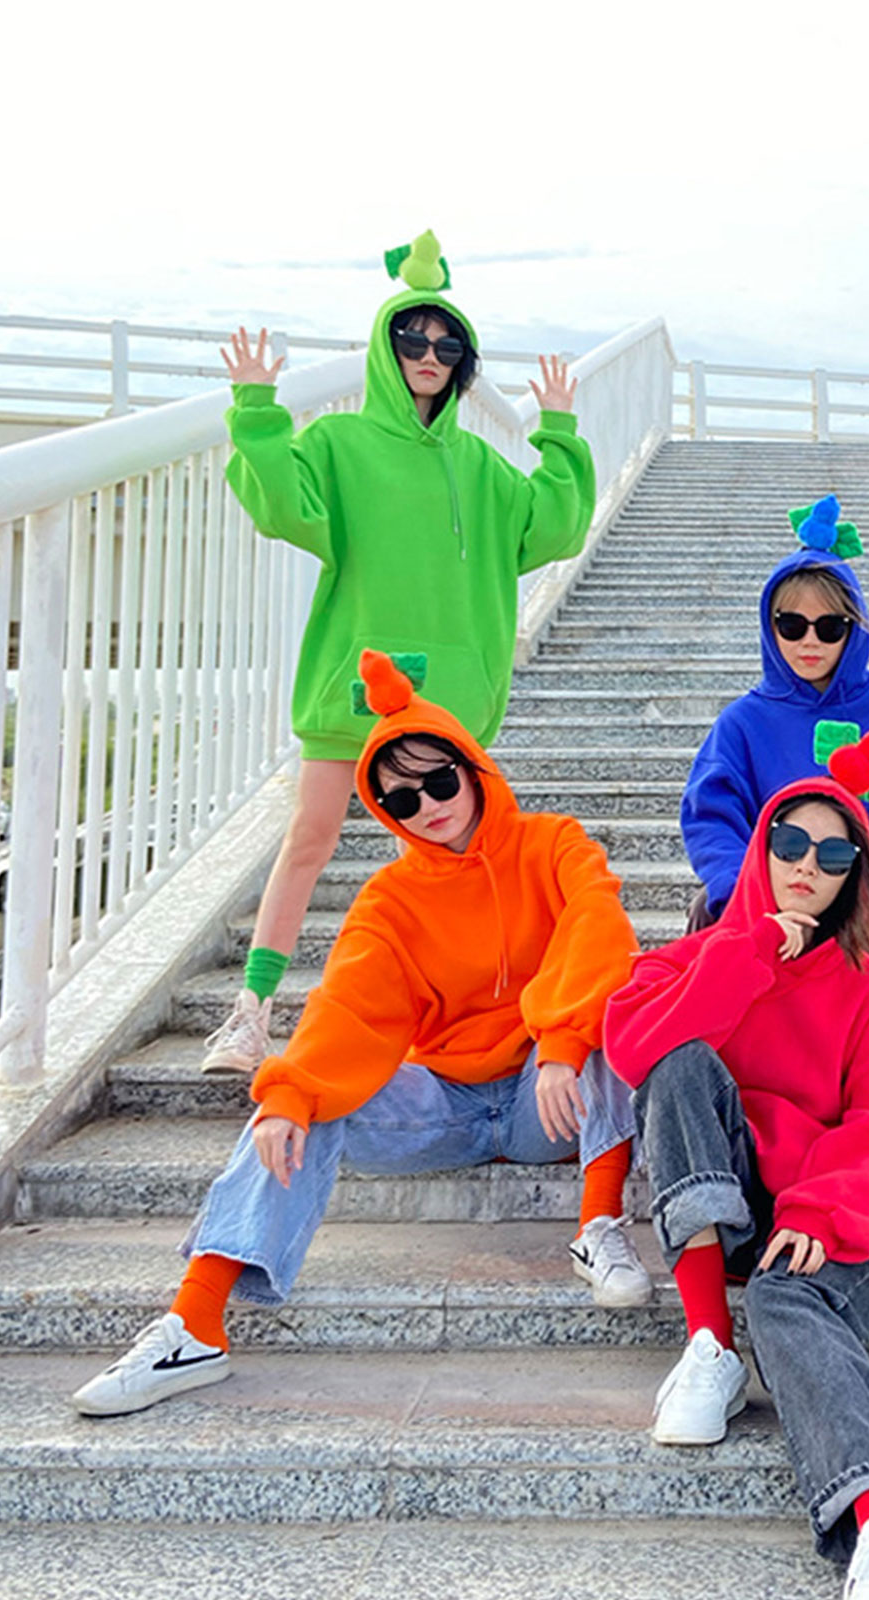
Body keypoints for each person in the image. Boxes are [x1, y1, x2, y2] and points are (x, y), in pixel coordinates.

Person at [73, 650, 648, 1418]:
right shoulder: (389, 899)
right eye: (400, 799)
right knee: (295, 1099)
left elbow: (598, 929)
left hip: (544, 1104)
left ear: (472, 768)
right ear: (383, 811)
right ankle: (195, 1322)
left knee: (620, 1015)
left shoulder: (552, 843)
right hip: (442, 1107)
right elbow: (347, 1007)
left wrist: (562, 1044)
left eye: (439, 781)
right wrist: (288, 1095)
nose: (428, 806)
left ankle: (598, 1225)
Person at [203, 229, 596, 1075]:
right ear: (387, 348)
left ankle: (426, 1028)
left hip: (446, 698)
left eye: (446, 346)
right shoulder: (341, 445)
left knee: (432, 873)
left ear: (462, 362)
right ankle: (250, 1014)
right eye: (412, 339)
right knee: (310, 838)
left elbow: (554, 527)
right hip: (352, 682)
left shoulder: (479, 465)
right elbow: (283, 506)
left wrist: (560, 430)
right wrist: (258, 411)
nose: (428, 356)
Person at [605, 737, 869, 1600]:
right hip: (729, 1208)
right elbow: (637, 1052)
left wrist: (819, 1212)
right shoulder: (690, 961)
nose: (807, 865)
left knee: (783, 1298)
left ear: (853, 877)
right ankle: (708, 1342)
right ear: (761, 849)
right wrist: (749, 950)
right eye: (790, 843)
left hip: (838, 1219)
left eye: (833, 855)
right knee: (680, 1063)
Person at [681, 495, 869, 1034]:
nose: (810, 641)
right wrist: (749, 896)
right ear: (770, 625)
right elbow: (712, 820)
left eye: (830, 626)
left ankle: (807, 1024)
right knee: (711, 920)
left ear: (854, 628)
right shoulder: (742, 723)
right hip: (777, 904)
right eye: (792, 624)